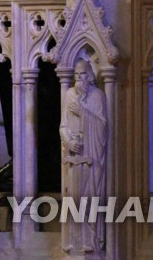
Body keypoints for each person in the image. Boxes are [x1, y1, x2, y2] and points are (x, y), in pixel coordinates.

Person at [60, 60, 107, 253]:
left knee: (90, 196)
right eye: (77, 75)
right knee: (73, 196)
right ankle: (73, 240)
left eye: (84, 74)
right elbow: (63, 125)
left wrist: (83, 113)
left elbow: (102, 125)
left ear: (91, 76)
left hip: (91, 158)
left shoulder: (98, 96)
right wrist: (68, 142)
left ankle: (91, 240)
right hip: (73, 158)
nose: (80, 78)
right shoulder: (69, 95)